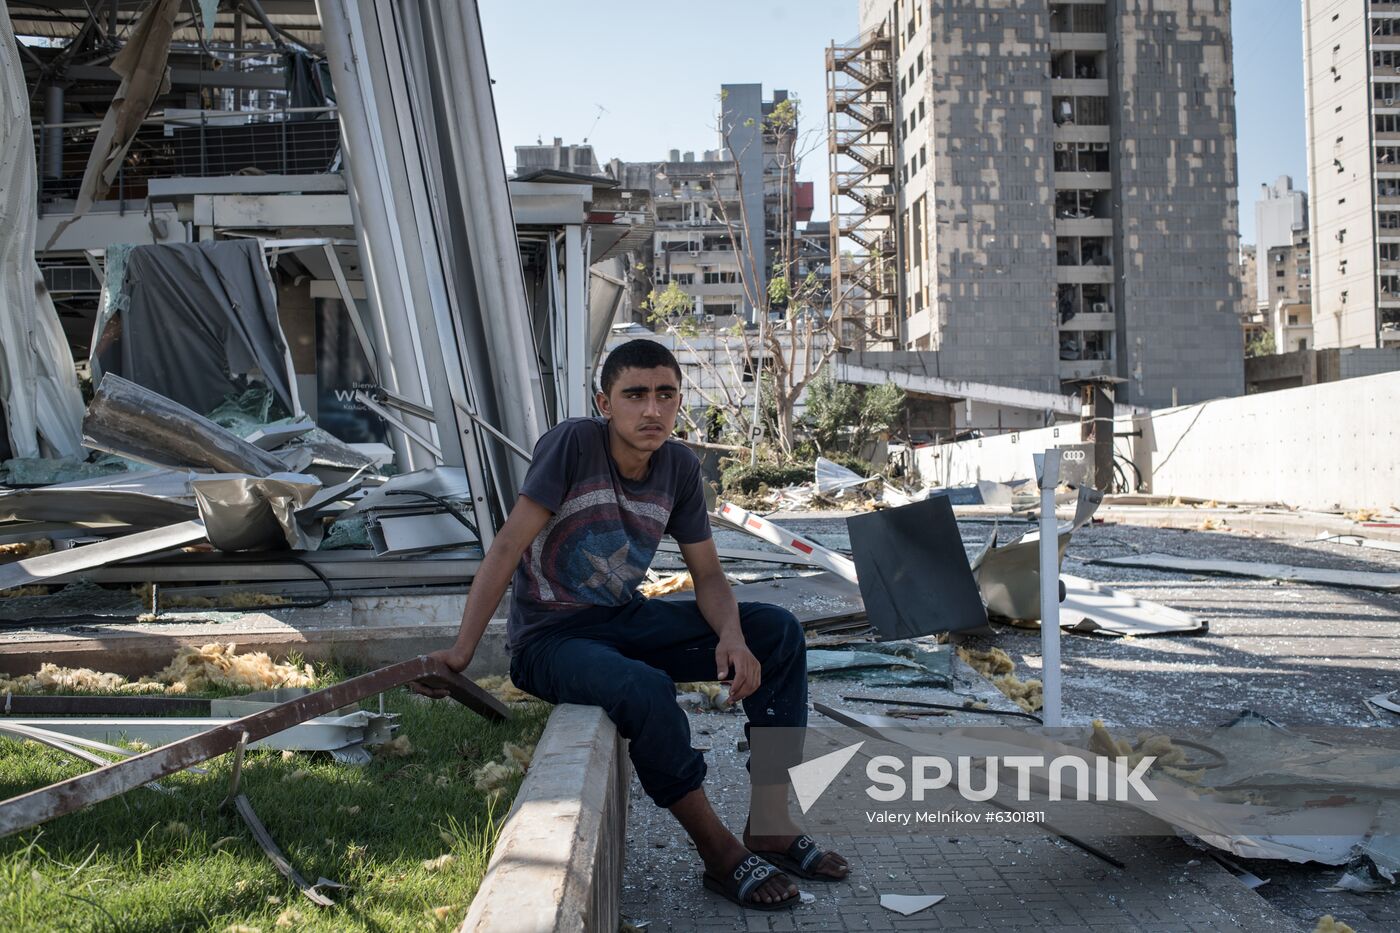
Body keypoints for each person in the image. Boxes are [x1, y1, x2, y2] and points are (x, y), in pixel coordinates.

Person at [413, 338, 848, 910]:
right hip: (551, 638)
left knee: (779, 631)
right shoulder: (572, 445)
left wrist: (733, 638)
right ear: (605, 402)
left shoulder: (679, 468)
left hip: (625, 617)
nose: (652, 409)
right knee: (643, 689)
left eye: (665, 395)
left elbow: (710, 576)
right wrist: (462, 651)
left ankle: (769, 822)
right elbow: (505, 549)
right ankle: (717, 852)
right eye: (635, 394)